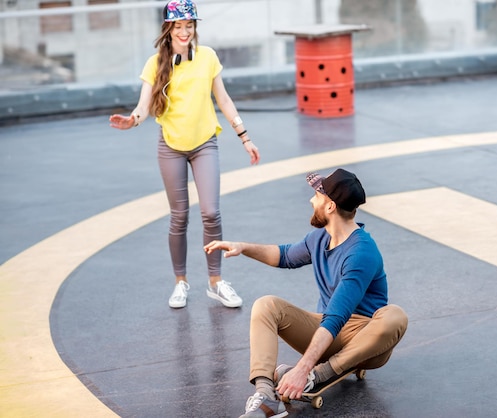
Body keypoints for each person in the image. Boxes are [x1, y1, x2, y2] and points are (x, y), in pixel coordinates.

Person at [205, 168, 408, 417]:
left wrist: (303, 369)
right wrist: (243, 247)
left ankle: (317, 375)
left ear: (330, 206)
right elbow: (285, 255)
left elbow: (337, 316)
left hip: (364, 340)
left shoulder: (361, 253)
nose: (311, 200)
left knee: (394, 316)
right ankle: (266, 395)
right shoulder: (320, 238)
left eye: (317, 195)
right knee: (266, 304)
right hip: (327, 334)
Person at [110, 0, 259, 309]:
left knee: (210, 212)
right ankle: (181, 282)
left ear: (194, 28)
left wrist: (244, 136)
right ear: (169, 29)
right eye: (178, 26)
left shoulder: (207, 57)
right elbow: (143, 106)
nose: (184, 31)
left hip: (204, 143)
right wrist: (132, 121)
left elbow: (225, 100)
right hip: (171, 147)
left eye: (189, 25)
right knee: (179, 216)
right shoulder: (155, 64)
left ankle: (216, 282)